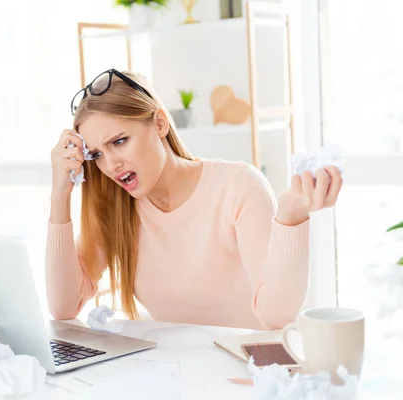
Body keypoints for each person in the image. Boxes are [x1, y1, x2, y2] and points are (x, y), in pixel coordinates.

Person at [45, 69, 342, 330]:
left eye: (119, 141)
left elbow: (277, 318)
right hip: (177, 376)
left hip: (251, 376)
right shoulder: (117, 208)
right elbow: (63, 308)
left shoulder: (239, 187)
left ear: (160, 123)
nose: (110, 165)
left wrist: (290, 219)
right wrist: (60, 195)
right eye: (96, 154)